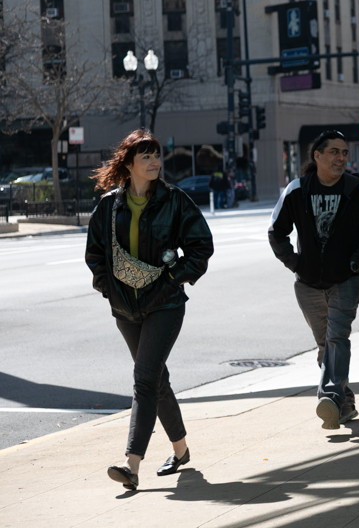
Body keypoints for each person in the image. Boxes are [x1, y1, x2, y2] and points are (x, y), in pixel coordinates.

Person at [85, 130, 214, 490]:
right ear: (128, 164)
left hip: (165, 304)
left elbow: (201, 246)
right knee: (157, 381)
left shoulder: (175, 201)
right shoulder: (109, 205)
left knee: (144, 379)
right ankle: (182, 450)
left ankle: (131, 464)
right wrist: (107, 288)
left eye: (156, 155)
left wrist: (174, 278)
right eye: (146, 157)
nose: (155, 162)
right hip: (124, 308)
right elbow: (95, 254)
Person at [269, 130, 359, 430]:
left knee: (337, 338)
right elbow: (275, 232)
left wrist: (355, 263)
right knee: (325, 344)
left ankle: (329, 395)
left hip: (346, 279)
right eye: (334, 151)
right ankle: (345, 403)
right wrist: (295, 262)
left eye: (344, 152)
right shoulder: (297, 189)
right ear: (317, 156)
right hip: (307, 284)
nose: (341, 158)